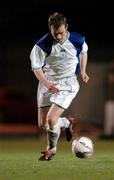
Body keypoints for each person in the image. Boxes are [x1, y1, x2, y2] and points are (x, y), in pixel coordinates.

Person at [30, 12, 89, 161]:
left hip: (68, 84)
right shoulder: (41, 45)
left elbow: (84, 52)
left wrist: (83, 71)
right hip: (47, 81)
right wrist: (47, 83)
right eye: (55, 34)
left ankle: (51, 150)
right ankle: (66, 122)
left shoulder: (78, 40)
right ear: (50, 29)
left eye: (61, 33)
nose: (58, 37)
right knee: (43, 124)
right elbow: (36, 68)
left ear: (66, 28)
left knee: (51, 118)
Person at [103, 60, 114, 139]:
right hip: (110, 100)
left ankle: (112, 134)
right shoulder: (110, 74)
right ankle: (108, 135)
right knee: (109, 120)